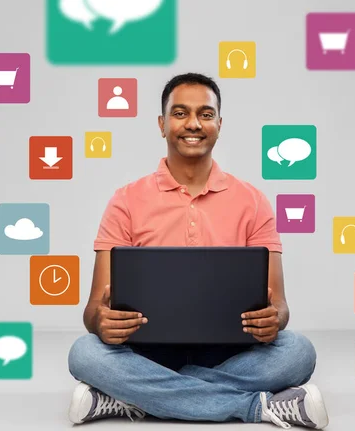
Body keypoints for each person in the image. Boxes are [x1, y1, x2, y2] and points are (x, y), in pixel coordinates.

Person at [66, 72, 329, 429]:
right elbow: (93, 310)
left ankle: (132, 398)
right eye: (180, 113)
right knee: (86, 354)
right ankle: (256, 407)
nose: (193, 123)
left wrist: (274, 320)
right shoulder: (125, 201)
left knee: (298, 352)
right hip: (147, 351)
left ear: (220, 125)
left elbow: (279, 307)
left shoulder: (253, 201)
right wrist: (102, 321)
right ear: (162, 124)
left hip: (230, 351)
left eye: (206, 114)